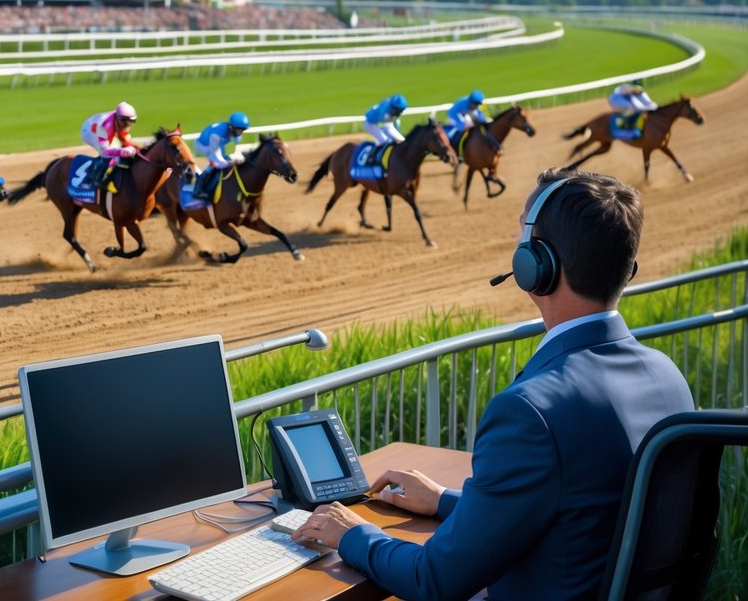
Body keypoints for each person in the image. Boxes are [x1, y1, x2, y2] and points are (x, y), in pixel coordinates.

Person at [291, 168, 694, 601]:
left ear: (538, 263)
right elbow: (576, 509)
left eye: (523, 233)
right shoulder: (667, 377)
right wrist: (445, 500)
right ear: (625, 269)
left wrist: (352, 534)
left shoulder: (532, 411)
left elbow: (435, 580)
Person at [191, 111, 250, 202]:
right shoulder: (217, 135)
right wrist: (227, 162)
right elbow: (216, 157)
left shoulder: (232, 130)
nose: (241, 132)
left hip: (218, 144)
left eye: (242, 130)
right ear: (232, 127)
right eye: (239, 130)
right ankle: (198, 190)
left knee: (227, 159)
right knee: (216, 165)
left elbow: (235, 143)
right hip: (204, 146)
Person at [79, 101, 138, 191]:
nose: (127, 125)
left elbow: (126, 141)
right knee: (110, 157)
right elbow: (105, 151)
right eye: (125, 122)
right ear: (119, 119)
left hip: (101, 128)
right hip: (90, 132)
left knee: (120, 151)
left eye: (130, 122)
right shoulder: (106, 126)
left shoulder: (122, 121)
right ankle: (92, 178)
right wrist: (122, 151)